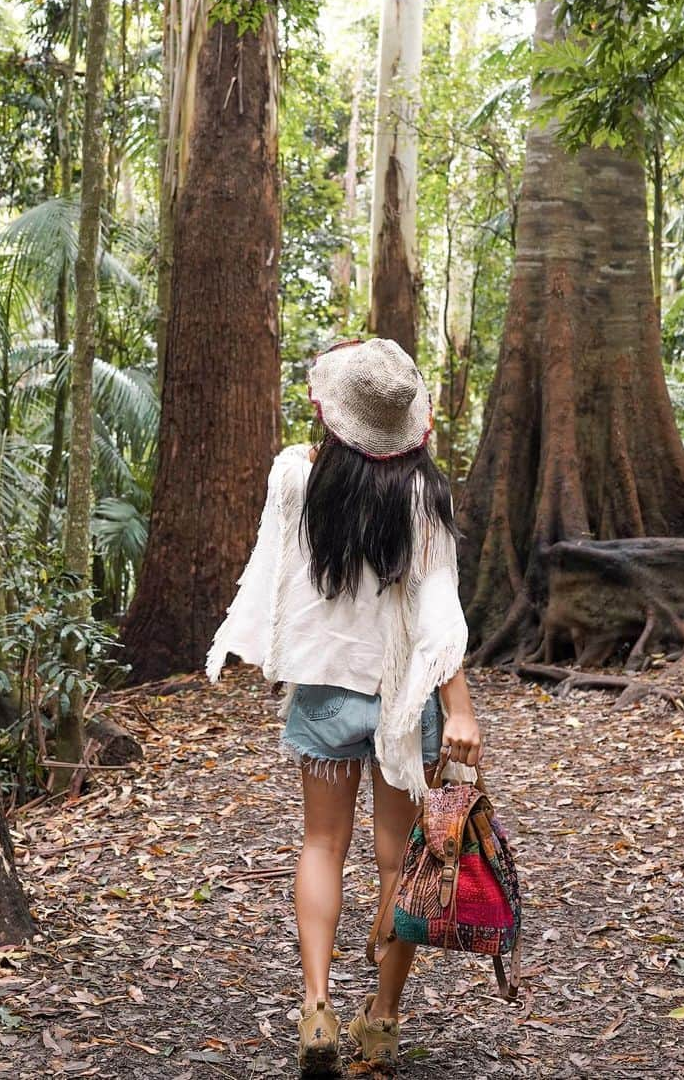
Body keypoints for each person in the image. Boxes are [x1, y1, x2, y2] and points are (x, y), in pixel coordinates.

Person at [206, 337, 482, 1076]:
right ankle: (384, 1022)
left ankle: (318, 1007)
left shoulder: (297, 478)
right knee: (402, 863)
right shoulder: (425, 496)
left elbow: (274, 574)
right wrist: (460, 708)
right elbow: (439, 613)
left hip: (328, 691)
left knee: (322, 846)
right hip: (402, 699)